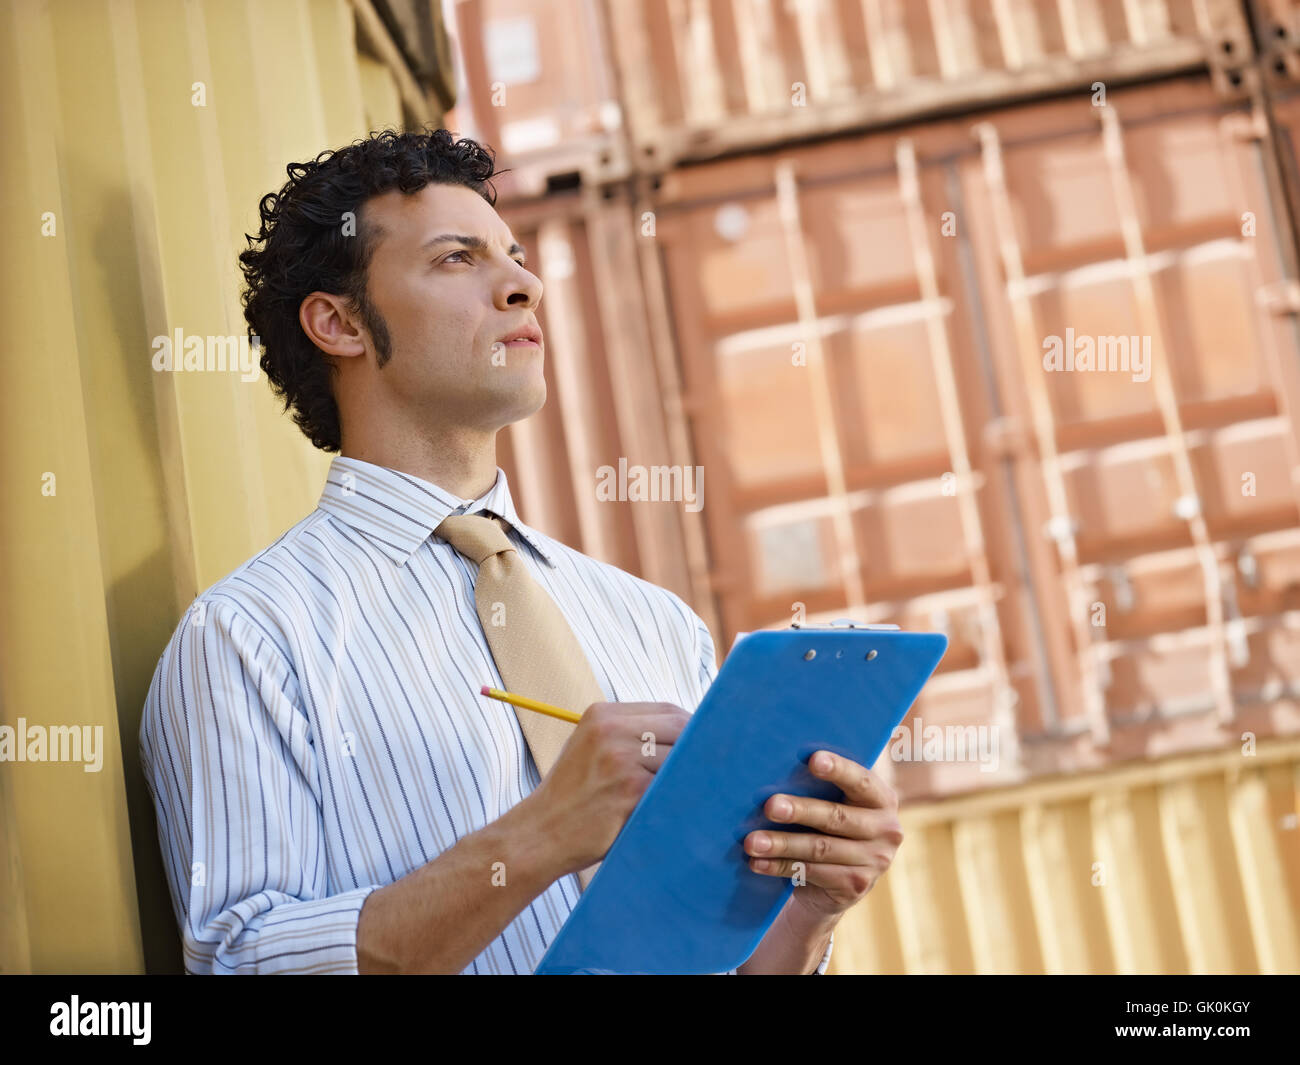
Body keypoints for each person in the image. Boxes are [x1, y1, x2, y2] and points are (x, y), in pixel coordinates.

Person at [139, 128, 903, 974]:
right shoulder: (249, 640)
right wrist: (542, 834)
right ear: (341, 322)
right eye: (457, 260)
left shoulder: (657, 623)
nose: (525, 285)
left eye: (515, 255)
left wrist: (808, 914)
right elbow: (244, 962)